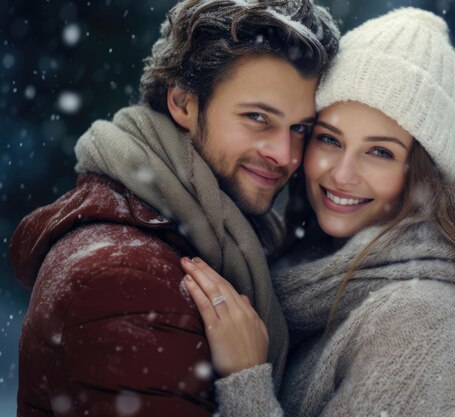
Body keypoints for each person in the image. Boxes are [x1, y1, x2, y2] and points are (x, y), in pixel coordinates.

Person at [180, 7, 455, 417]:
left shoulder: (423, 318)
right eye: (329, 139)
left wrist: (247, 383)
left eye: (380, 152)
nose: (342, 174)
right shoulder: (299, 263)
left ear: (422, 176)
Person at [9, 1, 339, 416]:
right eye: (257, 117)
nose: (283, 154)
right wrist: (248, 387)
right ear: (183, 103)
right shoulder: (124, 278)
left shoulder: (211, 242)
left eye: (300, 129)